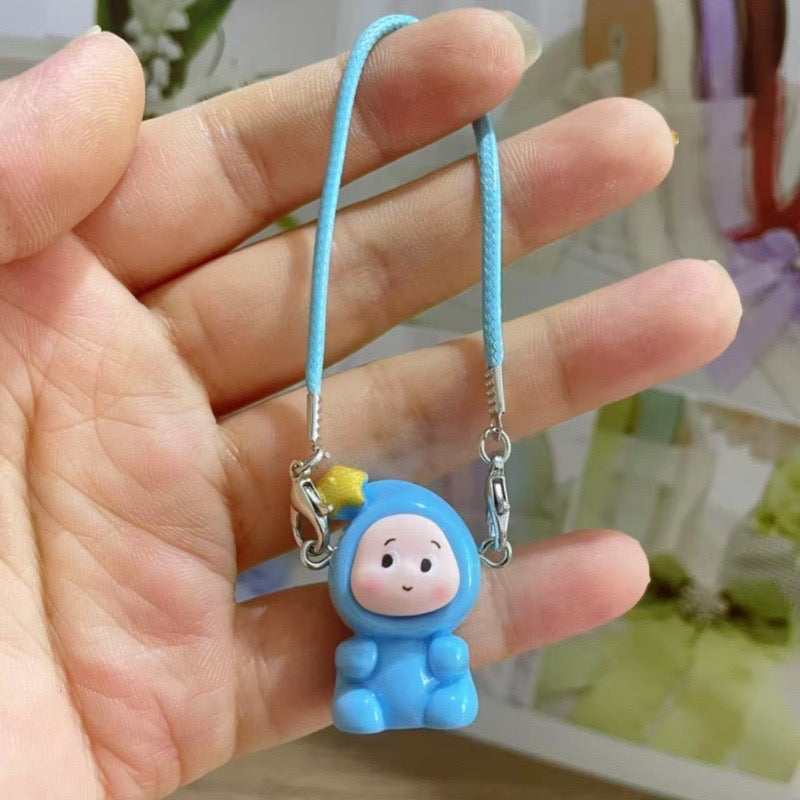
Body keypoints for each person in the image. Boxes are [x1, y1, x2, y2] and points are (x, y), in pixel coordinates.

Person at [0, 9, 740, 799]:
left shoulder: (435, 612)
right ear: (352, 565)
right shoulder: (362, 604)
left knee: (431, 681)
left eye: (412, 562)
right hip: (339, 682)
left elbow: (442, 645)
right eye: (391, 561)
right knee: (359, 686)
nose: (408, 575)